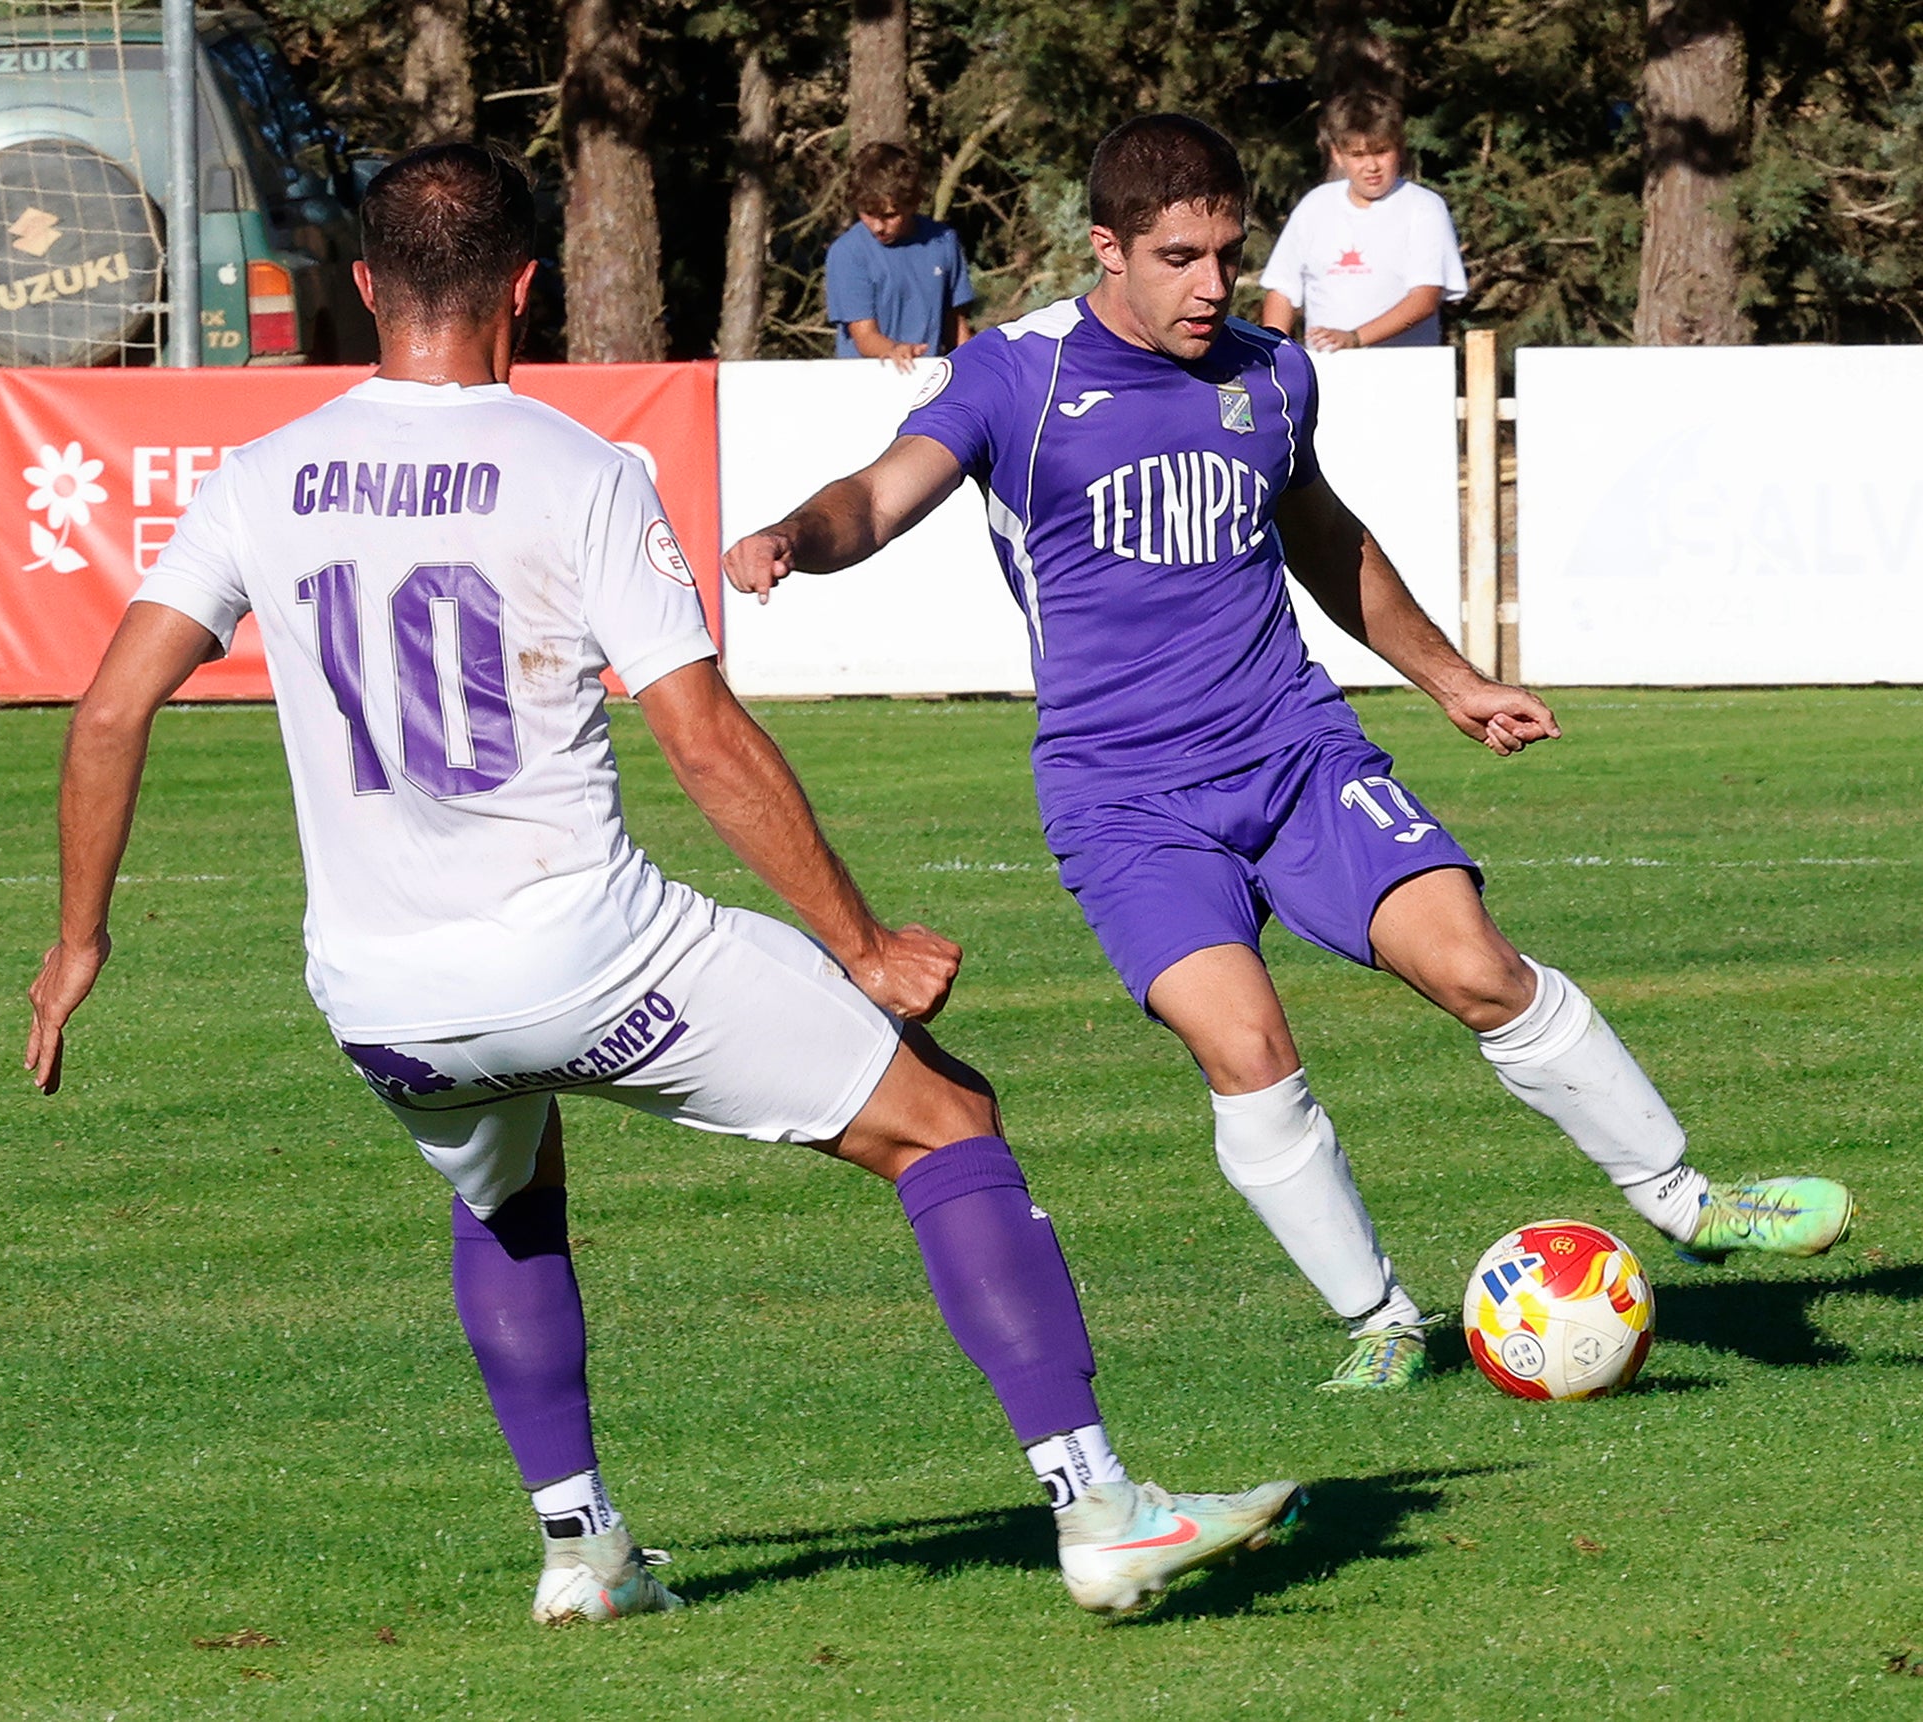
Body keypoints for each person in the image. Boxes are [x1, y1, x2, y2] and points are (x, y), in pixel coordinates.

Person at [21, 142, 1304, 1625]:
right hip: (590, 957)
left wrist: (76, 943)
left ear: (366, 286)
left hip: (384, 1002)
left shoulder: (255, 478)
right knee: (946, 1118)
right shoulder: (578, 467)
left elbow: (108, 712)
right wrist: (862, 942)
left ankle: (581, 1551)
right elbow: (700, 734)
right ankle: (1100, 1509)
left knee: (506, 1195)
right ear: (525, 287)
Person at [724, 115, 1853, 1394]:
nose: (1212, 284)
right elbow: (875, 496)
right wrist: (794, 536)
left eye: (1228, 253)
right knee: (1246, 1051)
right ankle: (1380, 1320)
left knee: (1477, 967)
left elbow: (1323, 539)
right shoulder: (1013, 378)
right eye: (1178, 258)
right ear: (1106, 248)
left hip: (1293, 751)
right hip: (1122, 797)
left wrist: (1452, 682)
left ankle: (1688, 1201)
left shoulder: (1270, 374)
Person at [1258, 91, 1466, 352]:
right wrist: (1274, 355)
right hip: (1326, 368)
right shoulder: (1315, 206)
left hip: (1406, 369)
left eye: (1381, 151)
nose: (1371, 166)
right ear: (1337, 155)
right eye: (1358, 155)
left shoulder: (1424, 207)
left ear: (1399, 148)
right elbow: (1282, 291)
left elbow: (1425, 299)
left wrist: (1355, 338)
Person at [826, 142, 975, 371]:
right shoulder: (848, 252)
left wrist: (974, 366)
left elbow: (954, 324)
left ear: (913, 203)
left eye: (889, 216)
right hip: (867, 381)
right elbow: (864, 336)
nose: (878, 227)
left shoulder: (944, 242)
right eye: (868, 214)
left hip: (929, 379)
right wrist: (895, 350)